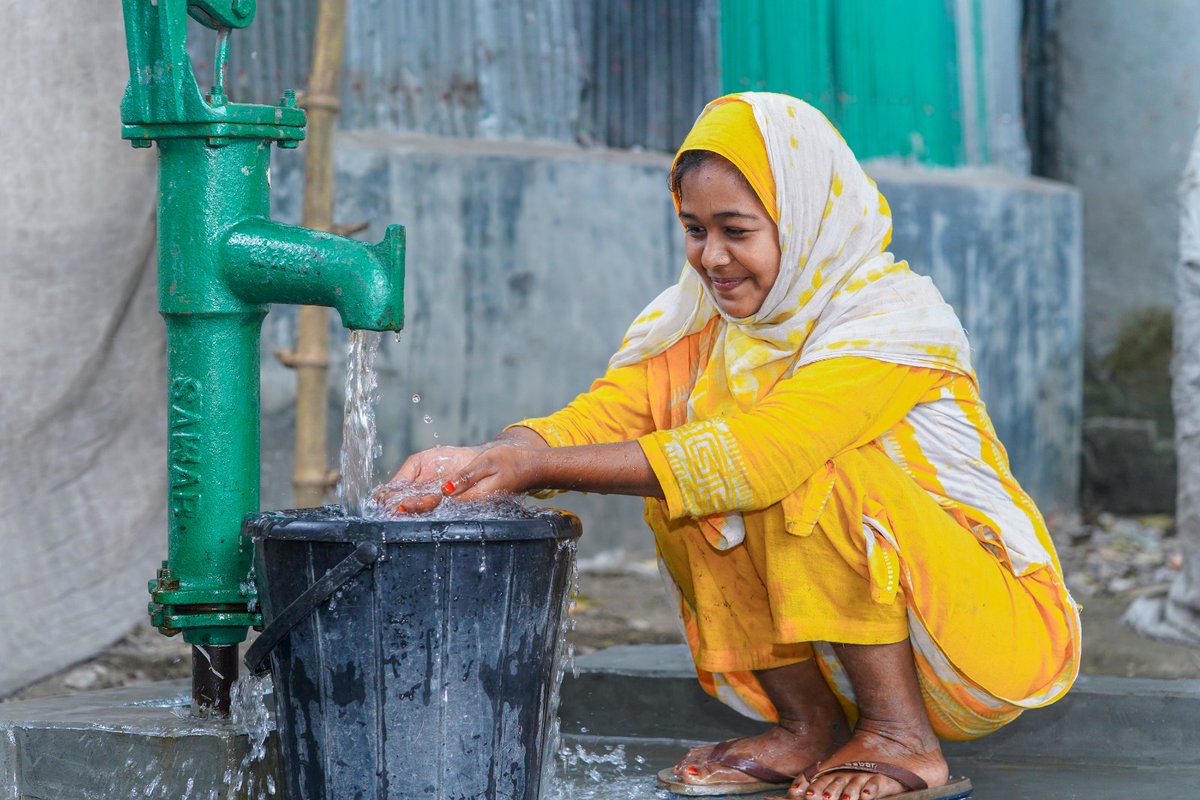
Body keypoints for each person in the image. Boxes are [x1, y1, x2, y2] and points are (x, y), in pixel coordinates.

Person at [378, 92, 1080, 800]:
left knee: (790, 472)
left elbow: (763, 454)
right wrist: (496, 455)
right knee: (682, 488)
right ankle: (808, 727)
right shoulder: (699, 323)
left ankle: (901, 736)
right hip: (861, 634)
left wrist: (535, 467)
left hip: (984, 627)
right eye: (694, 229)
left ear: (804, 221)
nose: (712, 257)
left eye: (736, 230)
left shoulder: (891, 323)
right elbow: (611, 415)